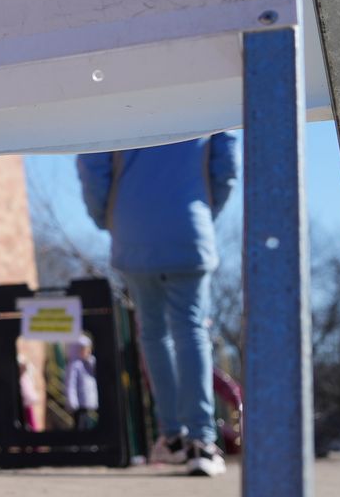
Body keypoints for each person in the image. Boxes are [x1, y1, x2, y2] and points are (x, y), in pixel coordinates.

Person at [79, 132, 238, 477]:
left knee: (153, 334)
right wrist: (204, 211)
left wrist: (106, 218)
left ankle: (173, 437)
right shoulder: (200, 90)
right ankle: (202, 441)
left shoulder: (115, 94)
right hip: (189, 227)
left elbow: (92, 164)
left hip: (133, 230)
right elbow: (225, 164)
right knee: (192, 331)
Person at [66, 337, 100, 430]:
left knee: (89, 424)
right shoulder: (75, 366)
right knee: (80, 425)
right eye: (85, 349)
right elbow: (71, 385)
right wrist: (72, 401)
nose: (88, 351)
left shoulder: (89, 362)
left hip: (89, 402)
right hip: (79, 403)